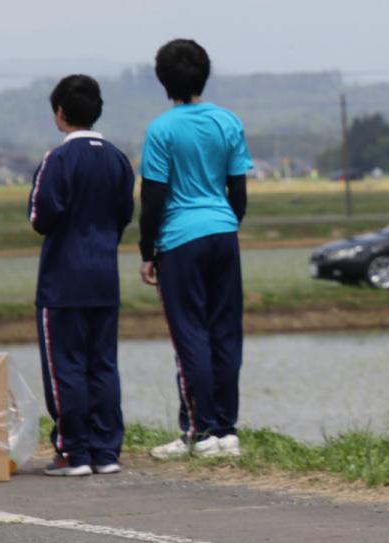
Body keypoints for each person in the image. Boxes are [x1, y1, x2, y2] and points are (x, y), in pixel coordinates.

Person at [139, 39, 253, 461]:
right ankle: (225, 431)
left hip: (179, 239)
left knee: (190, 336)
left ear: (162, 80)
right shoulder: (228, 121)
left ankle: (199, 432)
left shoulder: (161, 130)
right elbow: (237, 190)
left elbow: (153, 197)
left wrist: (147, 251)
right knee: (225, 332)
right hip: (224, 233)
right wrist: (226, 224)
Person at [29, 75, 135, 476]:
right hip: (105, 277)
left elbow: (41, 218)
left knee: (65, 366)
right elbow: (124, 214)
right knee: (103, 364)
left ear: (60, 113)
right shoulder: (118, 159)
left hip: (63, 281)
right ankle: (106, 451)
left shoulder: (56, 161)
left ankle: (73, 451)